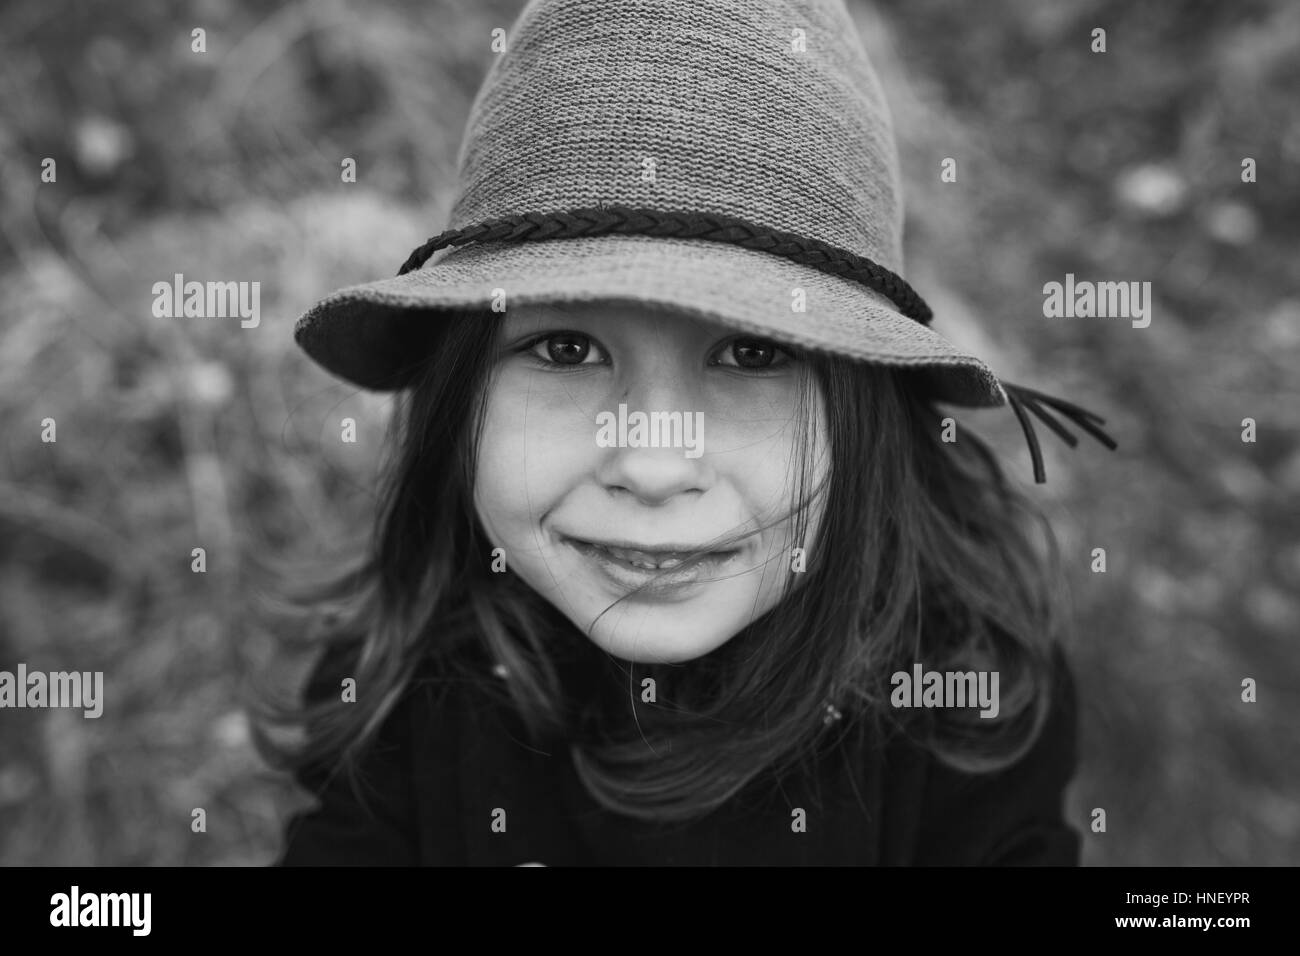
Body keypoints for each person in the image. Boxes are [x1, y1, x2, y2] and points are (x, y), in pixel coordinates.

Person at [263, 0, 1116, 866]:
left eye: (752, 353)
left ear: (870, 415)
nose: (654, 465)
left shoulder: (964, 701)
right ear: (459, 397)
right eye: (565, 348)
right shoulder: (404, 677)